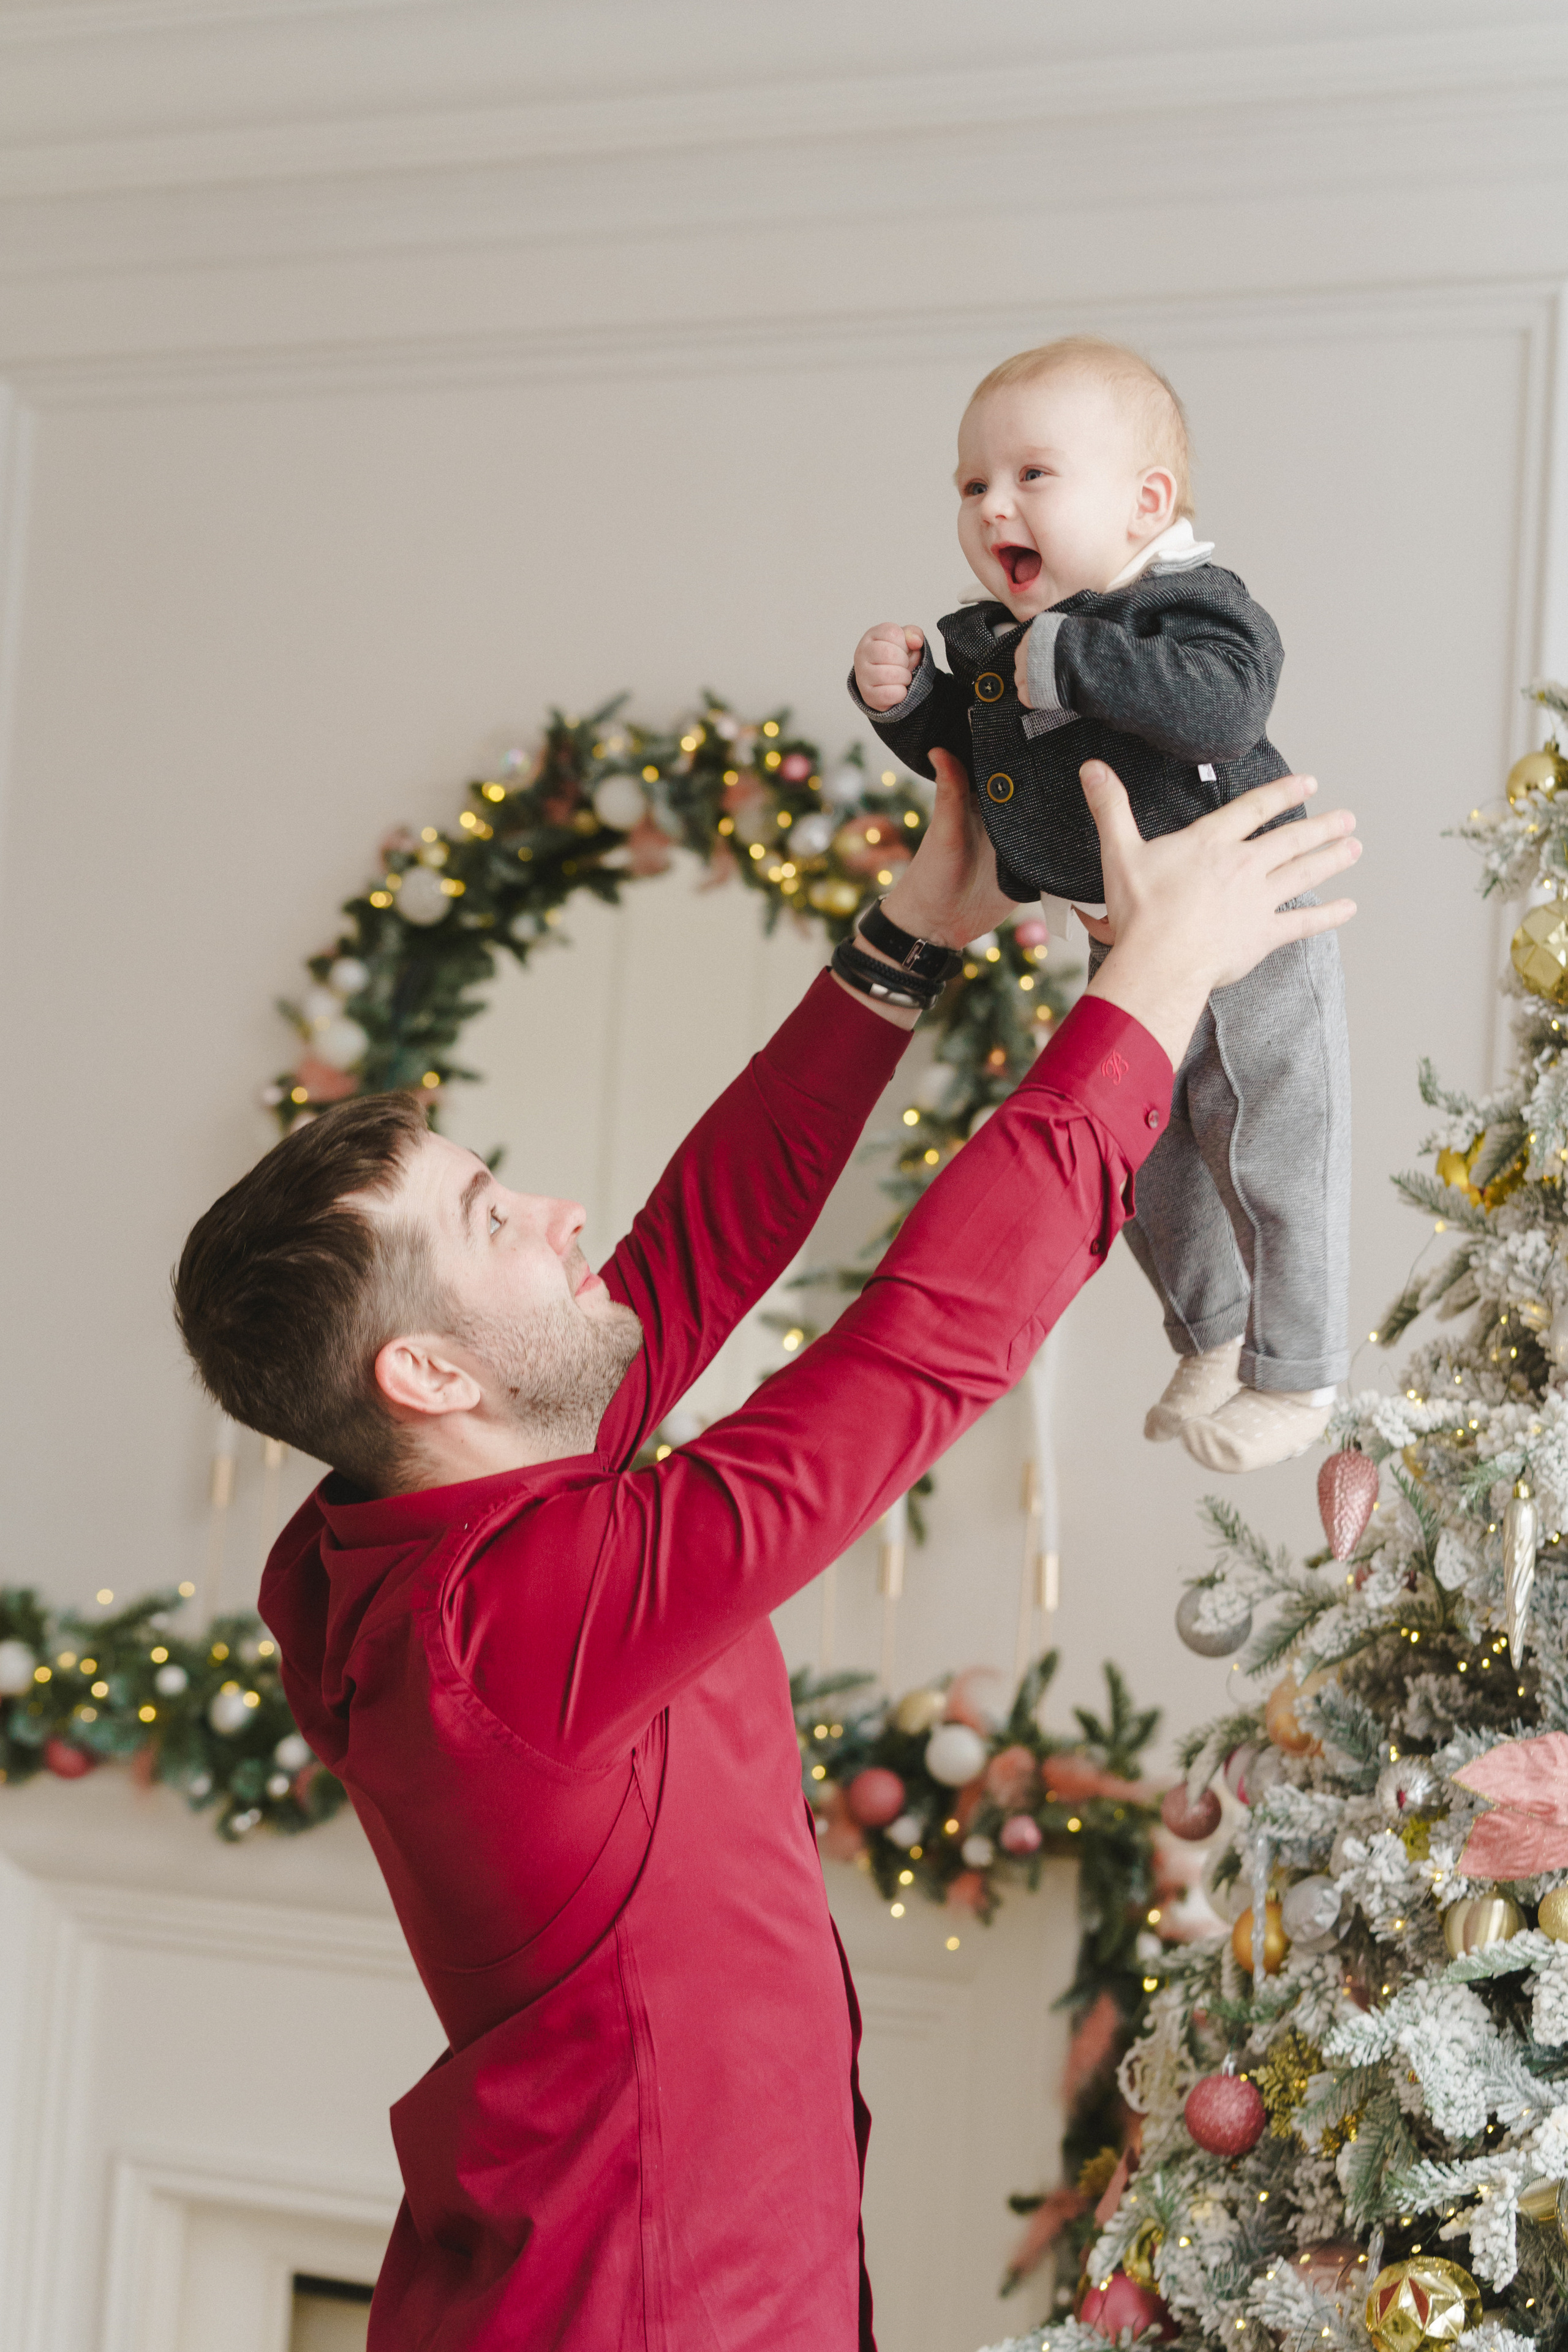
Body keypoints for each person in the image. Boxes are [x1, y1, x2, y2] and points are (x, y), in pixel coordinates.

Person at [173, 748, 1359, 2352]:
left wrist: (908, 934)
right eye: (489, 1220)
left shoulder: (404, 1522)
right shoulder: (507, 1625)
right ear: (427, 1375)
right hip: (652, 2315)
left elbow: (691, 1254)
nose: (560, 1212)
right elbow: (900, 1368)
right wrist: (1141, 999)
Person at [850, 336, 1351, 1476]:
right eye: (972, 484)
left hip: (1252, 923)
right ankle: (1215, 1336)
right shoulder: (999, 644)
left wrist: (1068, 658)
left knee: (1276, 1145)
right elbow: (975, 759)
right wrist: (908, 699)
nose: (991, 506)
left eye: (1032, 475)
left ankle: (1300, 1368)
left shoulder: (1192, 609)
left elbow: (1224, 709)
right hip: (1124, 945)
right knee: (1144, 1164)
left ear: (1145, 504)